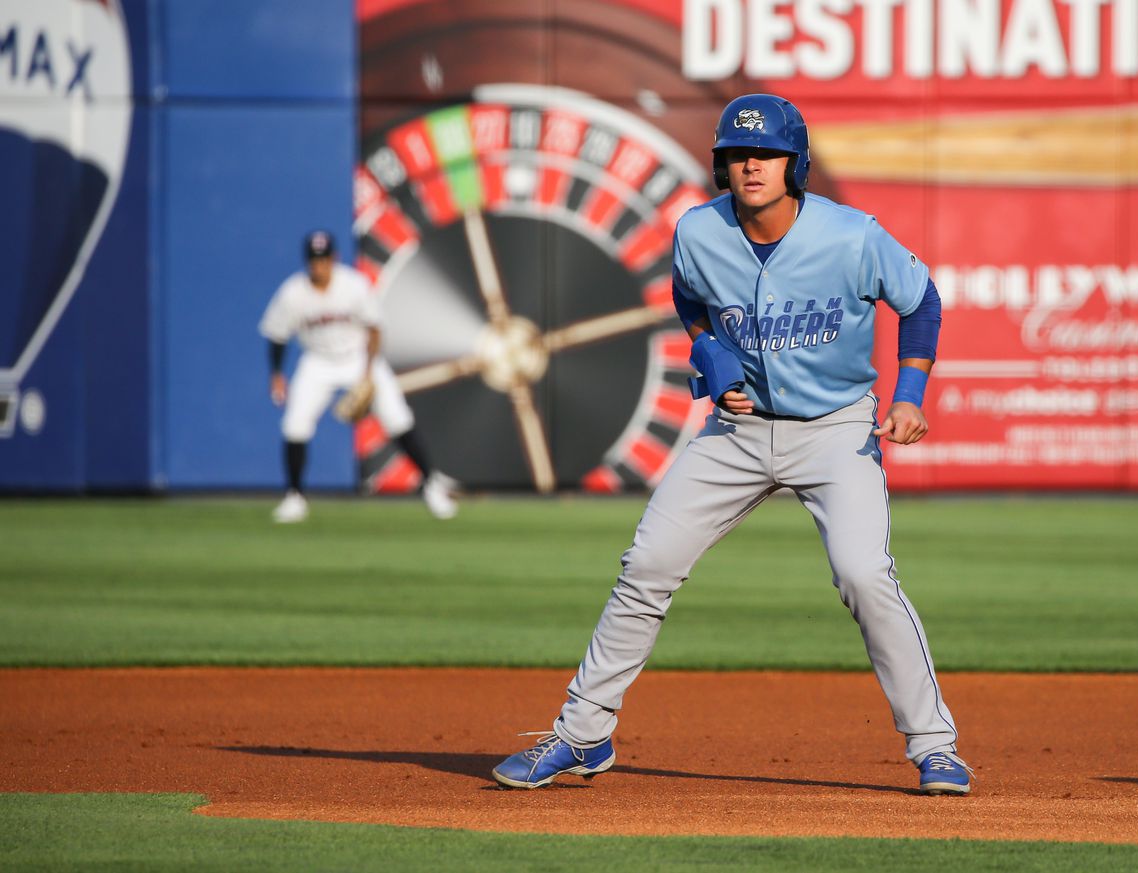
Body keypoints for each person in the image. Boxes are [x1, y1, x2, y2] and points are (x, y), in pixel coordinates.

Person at [492, 94, 971, 795]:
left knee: (864, 574)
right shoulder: (699, 232)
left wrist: (909, 395)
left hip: (836, 430)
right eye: (738, 155)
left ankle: (935, 745)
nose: (751, 165)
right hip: (738, 433)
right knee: (648, 562)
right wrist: (707, 346)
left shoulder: (851, 235)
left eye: (767, 153)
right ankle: (582, 733)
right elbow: (692, 299)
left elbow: (920, 299)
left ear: (794, 162)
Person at [259, 230, 457, 523]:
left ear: (334, 259)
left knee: (398, 418)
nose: (319, 266)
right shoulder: (293, 293)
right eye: (314, 261)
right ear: (307, 262)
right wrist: (276, 374)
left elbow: (375, 329)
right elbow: (276, 335)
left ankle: (431, 485)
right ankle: (294, 497)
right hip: (318, 361)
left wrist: (367, 374)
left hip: (359, 358)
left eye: (324, 260)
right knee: (295, 425)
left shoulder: (353, 285)